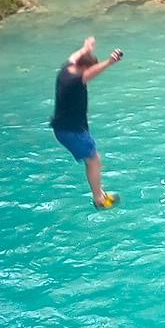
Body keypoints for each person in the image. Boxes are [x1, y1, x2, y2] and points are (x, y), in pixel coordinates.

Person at [51, 35, 123, 208]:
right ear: (84, 68)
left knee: (93, 159)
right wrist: (110, 62)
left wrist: (86, 47)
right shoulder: (76, 80)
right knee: (94, 160)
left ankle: (99, 193)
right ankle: (99, 198)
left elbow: (75, 56)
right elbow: (92, 72)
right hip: (72, 131)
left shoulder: (66, 69)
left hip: (64, 127)